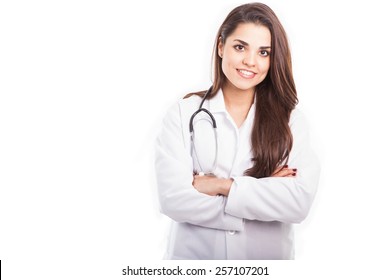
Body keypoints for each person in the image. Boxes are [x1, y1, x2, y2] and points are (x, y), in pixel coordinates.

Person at [154, 2, 320, 260]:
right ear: (221, 47)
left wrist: (221, 185)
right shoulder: (183, 113)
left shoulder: (291, 121)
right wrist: (262, 196)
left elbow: (298, 203)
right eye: (240, 47)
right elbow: (173, 199)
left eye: (264, 52)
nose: (250, 61)